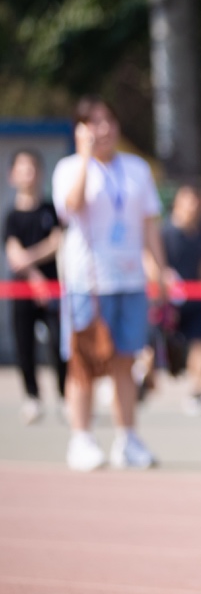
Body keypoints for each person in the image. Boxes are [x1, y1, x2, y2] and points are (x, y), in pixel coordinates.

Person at [52, 96, 167, 471]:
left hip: (130, 278)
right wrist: (86, 157)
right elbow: (71, 206)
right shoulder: (69, 167)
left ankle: (127, 438)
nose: (104, 129)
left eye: (108, 121)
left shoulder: (136, 168)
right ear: (81, 129)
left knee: (125, 360)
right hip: (88, 281)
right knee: (84, 361)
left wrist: (159, 269)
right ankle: (81, 438)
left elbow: (149, 223)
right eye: (94, 122)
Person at [5, 149, 66, 423]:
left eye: (32, 168)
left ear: (40, 173)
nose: (27, 174)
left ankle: (65, 396)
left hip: (53, 291)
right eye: (22, 168)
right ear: (12, 175)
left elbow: (56, 242)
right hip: (23, 292)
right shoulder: (11, 216)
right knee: (24, 344)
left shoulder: (50, 210)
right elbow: (13, 253)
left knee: (59, 343)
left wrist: (31, 260)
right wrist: (34, 276)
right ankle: (32, 397)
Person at [161, 184, 201, 415]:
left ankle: (197, 392)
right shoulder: (165, 232)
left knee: (200, 343)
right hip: (166, 301)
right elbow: (152, 260)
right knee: (152, 345)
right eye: (187, 201)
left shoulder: (200, 234)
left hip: (195, 299)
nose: (192, 206)